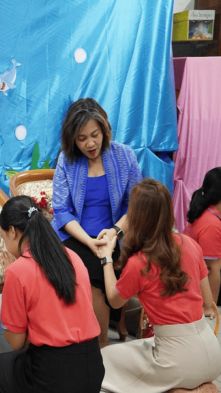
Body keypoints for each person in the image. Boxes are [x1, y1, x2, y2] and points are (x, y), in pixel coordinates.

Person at [98, 179, 221, 393]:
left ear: (137, 217)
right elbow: (208, 303)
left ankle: (179, 392)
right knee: (144, 348)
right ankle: (197, 388)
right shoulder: (190, 244)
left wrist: (106, 258)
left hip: (179, 361)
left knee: (103, 360)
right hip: (212, 353)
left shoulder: (140, 262)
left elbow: (114, 300)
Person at [0, 196, 103, 393]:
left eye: (3, 236)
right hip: (93, 380)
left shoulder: (17, 272)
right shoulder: (72, 257)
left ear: (12, 231)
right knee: (36, 360)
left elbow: (16, 343)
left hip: (53, 386)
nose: (5, 242)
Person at [52, 98, 142, 347]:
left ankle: (99, 346)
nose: (90, 143)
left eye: (95, 134)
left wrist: (113, 233)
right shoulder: (66, 160)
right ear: (72, 139)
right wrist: (90, 242)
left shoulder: (124, 156)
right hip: (76, 236)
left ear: (104, 129)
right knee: (94, 272)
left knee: (102, 267)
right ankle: (100, 346)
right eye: (82, 138)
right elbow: (62, 211)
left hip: (117, 234)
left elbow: (134, 206)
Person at [186, 167, 221, 307]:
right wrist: (210, 307)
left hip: (219, 267)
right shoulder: (211, 225)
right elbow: (211, 270)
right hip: (201, 281)